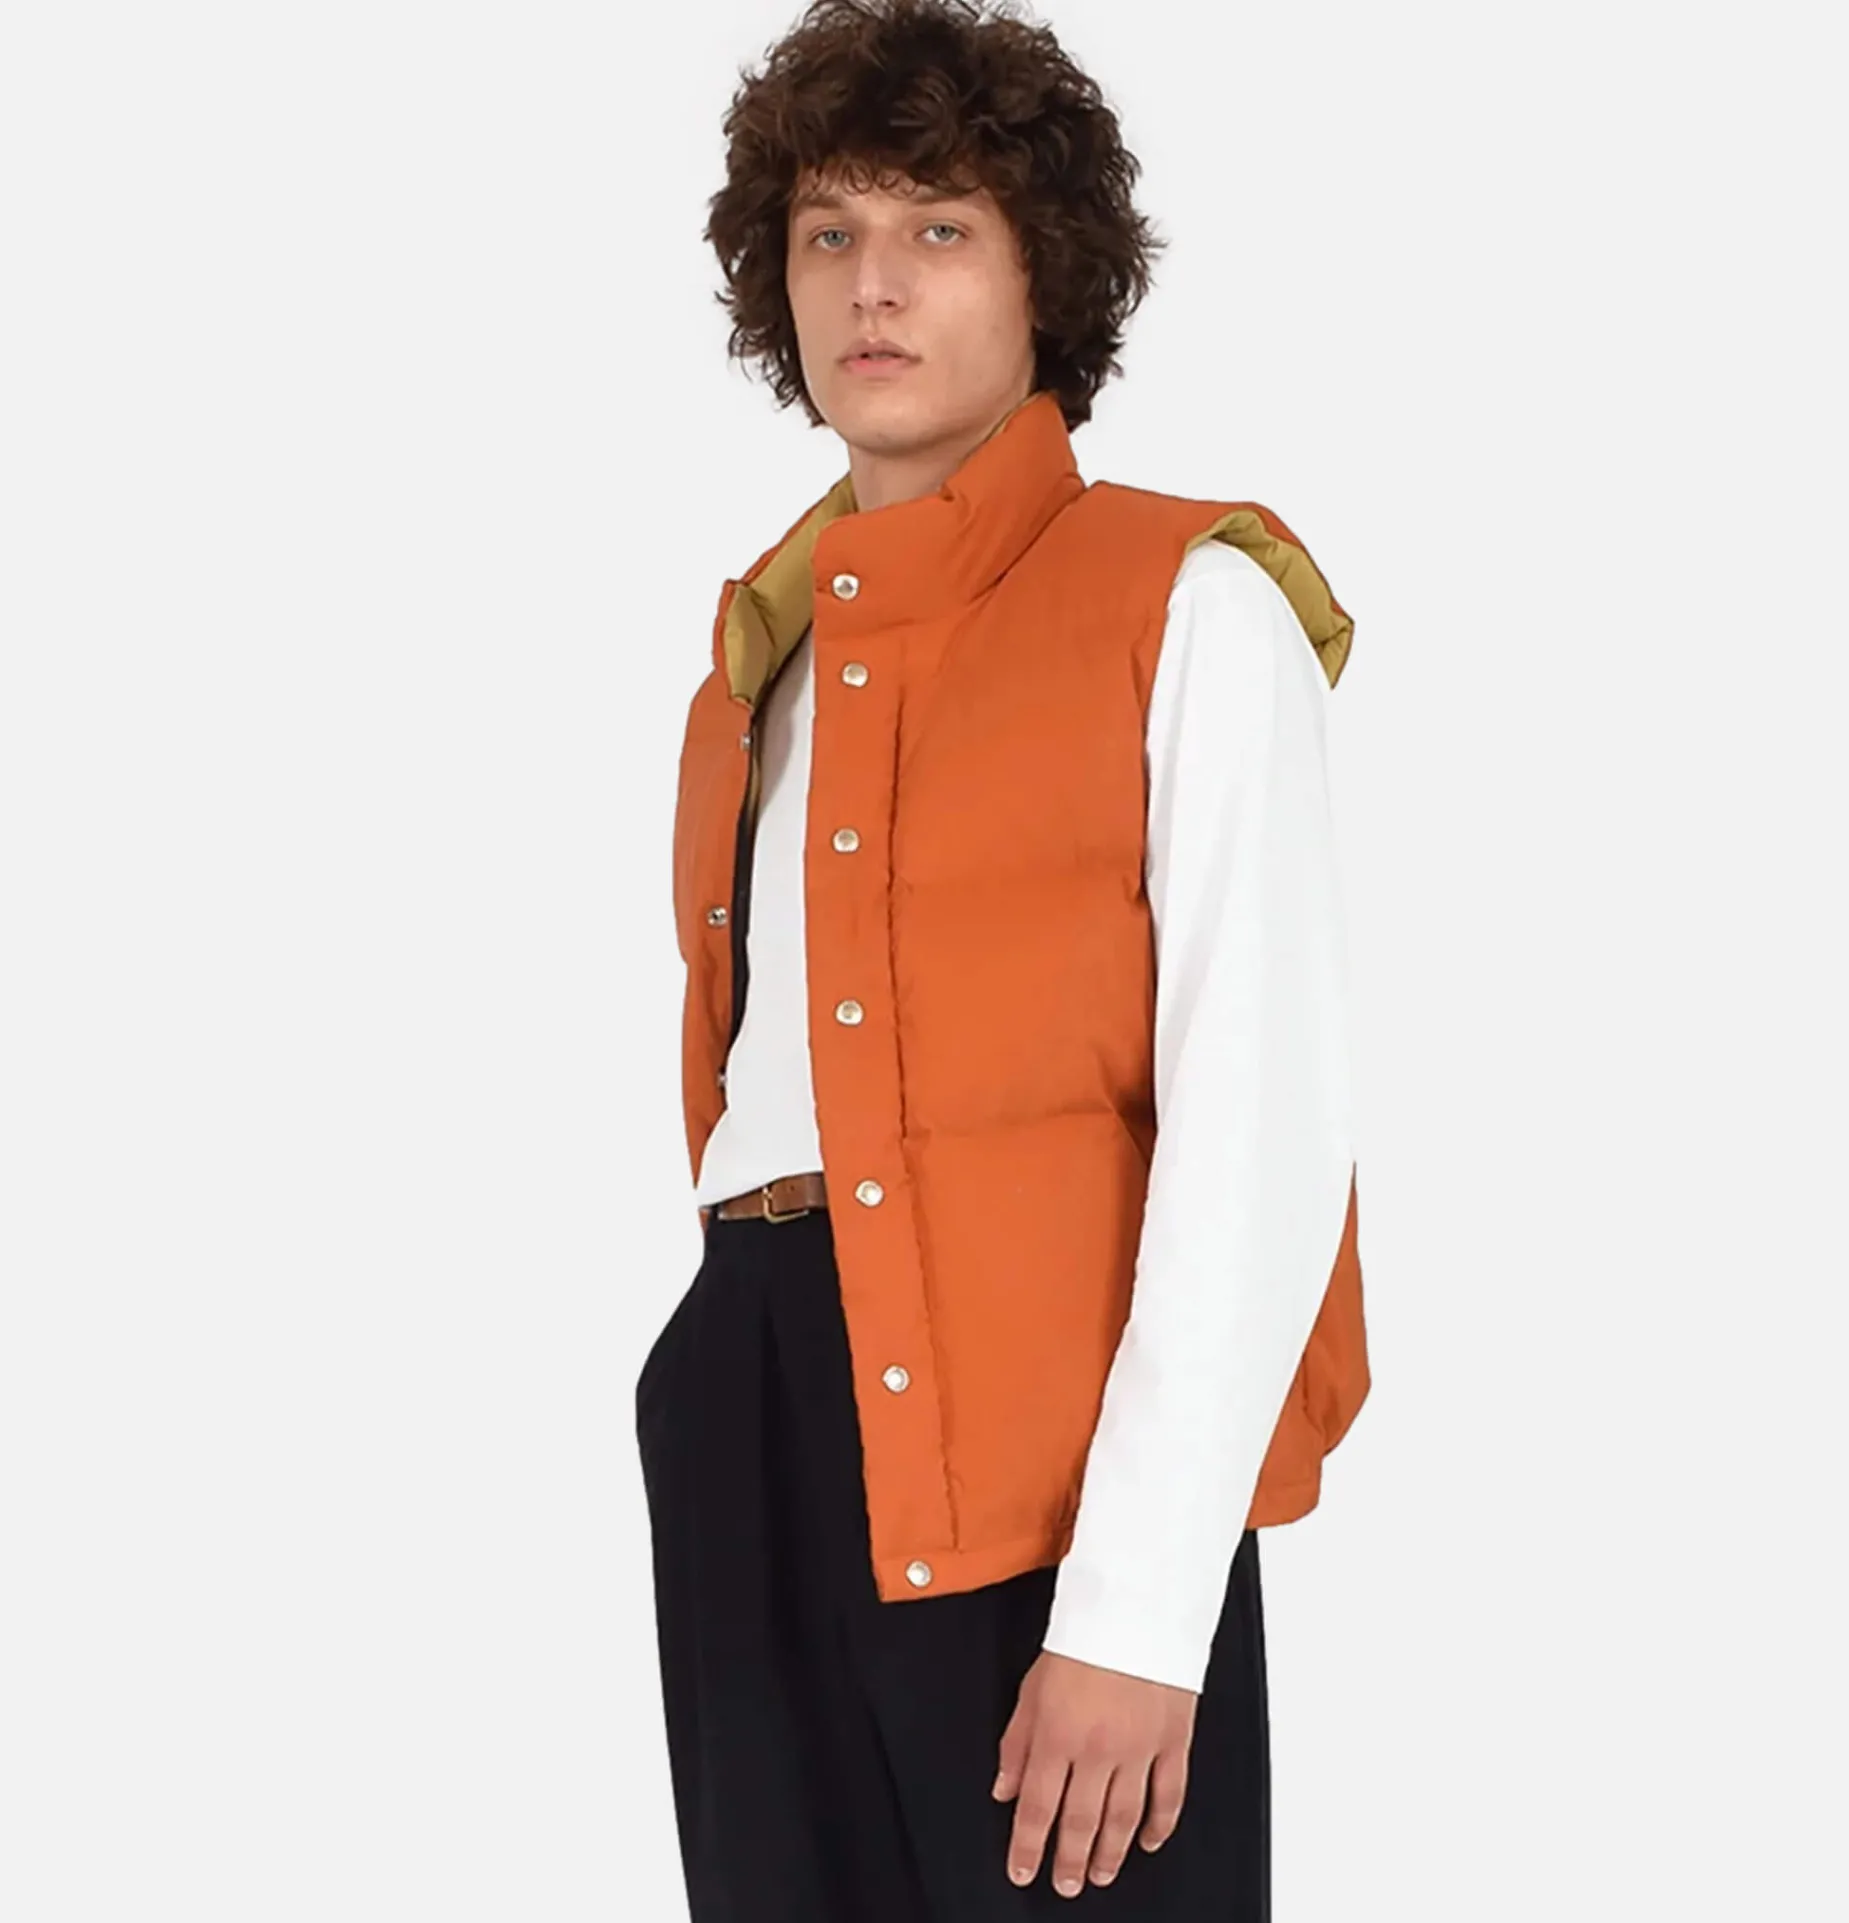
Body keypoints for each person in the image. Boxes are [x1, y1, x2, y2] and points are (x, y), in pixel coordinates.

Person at [635, 2, 1370, 1916]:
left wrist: (1139, 1607)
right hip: (761, 1405)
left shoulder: (1189, 603)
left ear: (1048, 270)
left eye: (938, 228)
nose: (871, 284)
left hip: (1051, 1466)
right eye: (828, 232)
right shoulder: (766, 666)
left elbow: (1262, 1123)